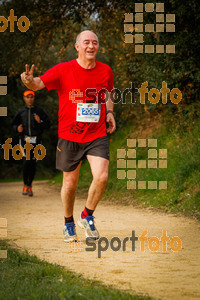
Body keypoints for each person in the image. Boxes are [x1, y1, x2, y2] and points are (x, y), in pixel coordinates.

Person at [20, 30, 116, 242]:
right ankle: (68, 223)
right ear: (77, 46)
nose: (91, 46)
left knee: (101, 177)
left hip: (96, 133)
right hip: (69, 135)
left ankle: (86, 215)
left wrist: (109, 112)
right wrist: (28, 82)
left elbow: (109, 92)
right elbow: (37, 84)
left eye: (94, 42)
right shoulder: (63, 70)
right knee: (70, 184)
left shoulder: (105, 71)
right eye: (86, 42)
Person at [12, 90, 51, 196]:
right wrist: (17, 128)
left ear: (34, 98)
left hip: (37, 141)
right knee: (26, 161)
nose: (30, 99)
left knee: (33, 164)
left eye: (31, 97)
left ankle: (30, 185)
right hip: (25, 141)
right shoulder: (21, 112)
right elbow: (14, 124)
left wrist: (40, 122)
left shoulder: (40, 111)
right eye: (27, 97)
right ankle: (25, 184)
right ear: (24, 98)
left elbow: (48, 125)